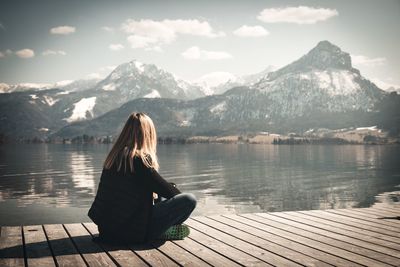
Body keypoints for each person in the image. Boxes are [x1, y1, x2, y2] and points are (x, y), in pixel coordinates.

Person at [88, 112, 197, 244]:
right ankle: (161, 230)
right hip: (131, 233)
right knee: (188, 200)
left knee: (162, 190)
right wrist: (167, 190)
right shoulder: (138, 160)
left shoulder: (115, 157)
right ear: (147, 135)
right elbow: (174, 195)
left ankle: (162, 228)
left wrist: (161, 189)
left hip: (107, 230)